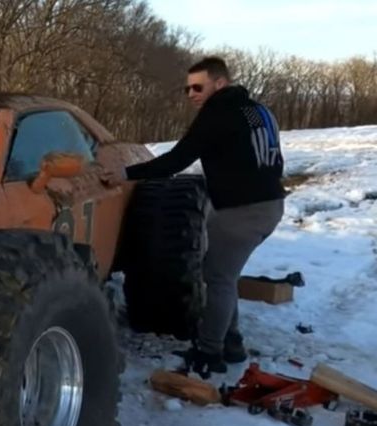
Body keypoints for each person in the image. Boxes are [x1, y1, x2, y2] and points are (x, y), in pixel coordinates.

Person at [99, 56, 286, 378]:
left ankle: (210, 352)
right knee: (222, 273)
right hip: (269, 205)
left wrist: (126, 173)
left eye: (198, 87)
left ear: (219, 84)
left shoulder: (218, 112)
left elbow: (176, 160)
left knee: (218, 278)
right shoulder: (259, 111)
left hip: (242, 211)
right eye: (187, 89)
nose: (191, 95)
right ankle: (231, 340)